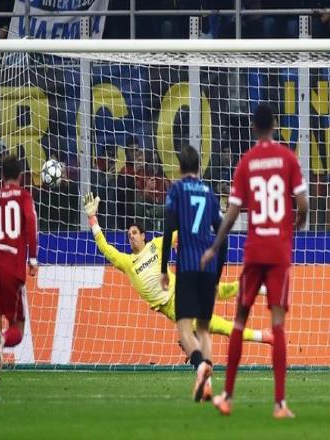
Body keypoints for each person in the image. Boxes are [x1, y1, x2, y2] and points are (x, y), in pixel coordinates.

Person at [82, 193, 272, 393]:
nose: (131, 237)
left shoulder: (156, 245)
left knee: (217, 291)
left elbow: (179, 232)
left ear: (144, 235)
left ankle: (258, 290)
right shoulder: (127, 263)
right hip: (172, 305)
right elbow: (105, 248)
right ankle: (261, 335)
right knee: (213, 325)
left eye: (135, 233)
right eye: (129, 235)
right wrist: (92, 218)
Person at [201, 103, 308, 418]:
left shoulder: (246, 163)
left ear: (253, 127)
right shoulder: (288, 158)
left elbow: (232, 212)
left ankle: (226, 397)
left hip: (255, 250)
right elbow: (303, 204)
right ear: (274, 125)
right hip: (278, 251)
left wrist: (214, 246)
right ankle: (279, 404)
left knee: (239, 320)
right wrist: (294, 226)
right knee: (278, 323)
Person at [159, 145, 227, 402]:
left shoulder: (176, 191)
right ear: (199, 166)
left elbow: (168, 230)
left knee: (185, 331)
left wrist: (164, 270)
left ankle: (200, 366)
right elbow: (222, 236)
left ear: (179, 167)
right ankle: (207, 384)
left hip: (187, 266)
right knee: (204, 330)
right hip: (208, 269)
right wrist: (217, 277)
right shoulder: (210, 193)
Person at [0, 155, 38, 400]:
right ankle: (1, 342)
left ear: (2, 175)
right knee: (17, 329)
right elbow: (31, 222)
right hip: (12, 267)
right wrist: (33, 258)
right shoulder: (24, 196)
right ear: (20, 175)